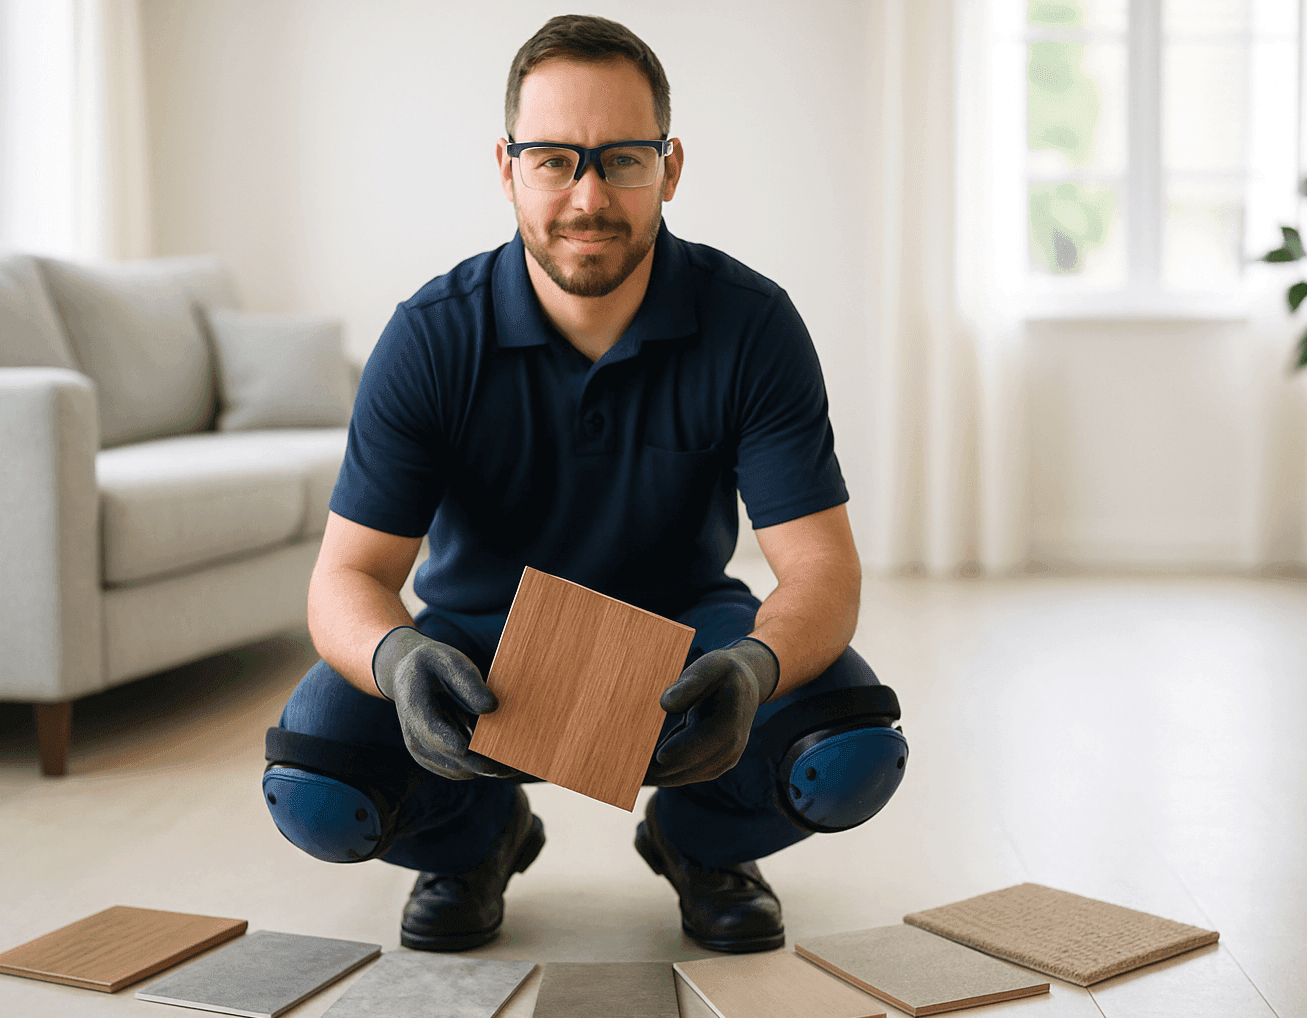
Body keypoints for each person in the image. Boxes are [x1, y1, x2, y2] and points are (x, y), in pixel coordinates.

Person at [261, 14, 906, 955]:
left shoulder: (753, 325)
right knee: (316, 789)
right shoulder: (431, 335)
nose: (588, 195)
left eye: (623, 159)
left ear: (671, 166)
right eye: (555, 159)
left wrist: (753, 667)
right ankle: (478, 841)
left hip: (691, 648)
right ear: (508, 165)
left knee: (849, 755)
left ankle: (700, 842)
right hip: (477, 652)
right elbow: (345, 576)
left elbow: (822, 574)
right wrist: (399, 662)